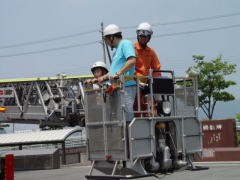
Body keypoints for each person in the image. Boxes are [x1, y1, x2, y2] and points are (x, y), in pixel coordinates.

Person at [98, 24, 136, 122]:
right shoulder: (116, 52)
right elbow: (112, 72)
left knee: (126, 115)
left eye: (106, 40)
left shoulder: (125, 43)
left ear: (111, 37)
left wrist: (118, 74)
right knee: (118, 117)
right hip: (117, 88)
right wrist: (102, 77)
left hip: (126, 87)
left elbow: (132, 60)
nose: (106, 43)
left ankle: (128, 136)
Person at [133, 22, 161, 117]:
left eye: (146, 37)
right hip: (133, 85)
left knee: (153, 111)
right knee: (135, 111)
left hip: (147, 87)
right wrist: (135, 79)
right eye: (141, 36)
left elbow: (156, 70)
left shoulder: (151, 52)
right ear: (137, 36)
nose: (143, 38)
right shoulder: (132, 49)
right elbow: (128, 67)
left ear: (149, 37)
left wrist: (156, 85)